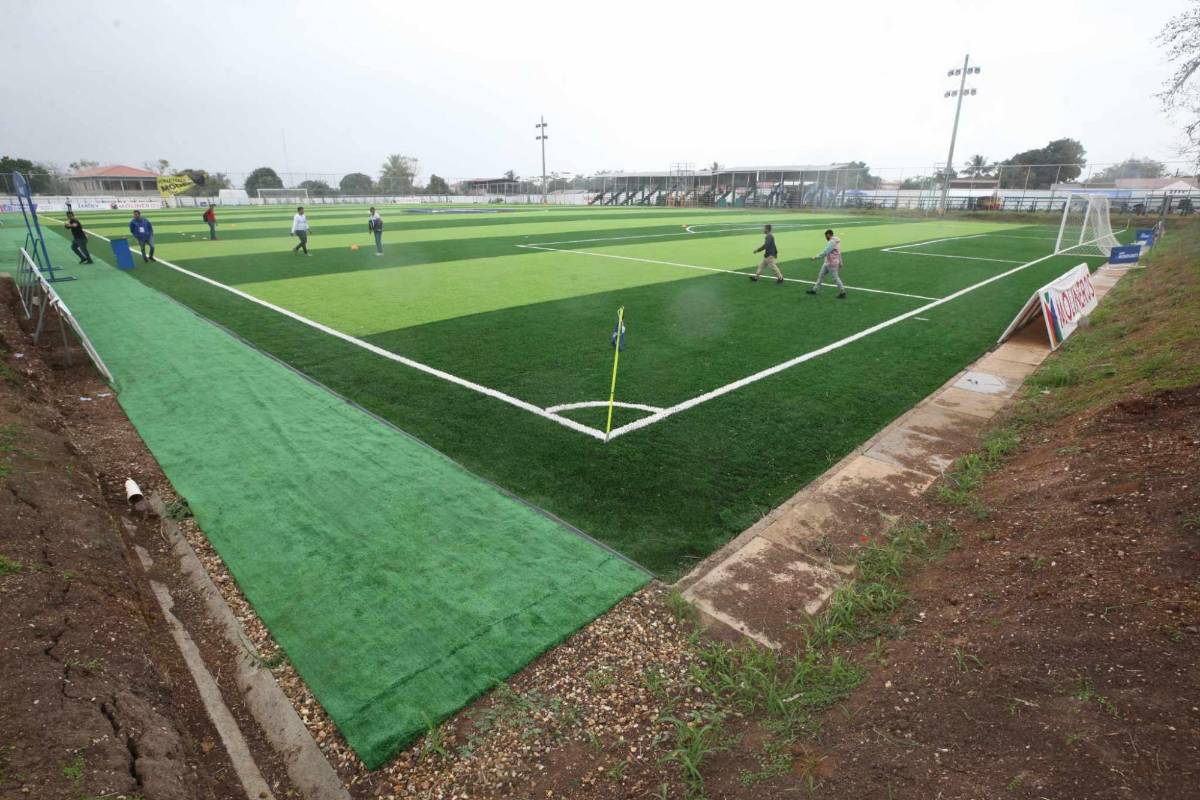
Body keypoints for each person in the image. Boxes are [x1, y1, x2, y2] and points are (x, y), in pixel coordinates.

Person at [807, 229, 846, 299]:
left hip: (832, 264)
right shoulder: (837, 241)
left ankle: (842, 292)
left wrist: (815, 257)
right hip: (828, 263)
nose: (825, 237)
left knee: (835, 278)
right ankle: (814, 290)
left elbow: (825, 252)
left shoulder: (832, 242)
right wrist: (840, 261)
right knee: (820, 276)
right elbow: (839, 252)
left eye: (826, 236)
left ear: (828, 235)